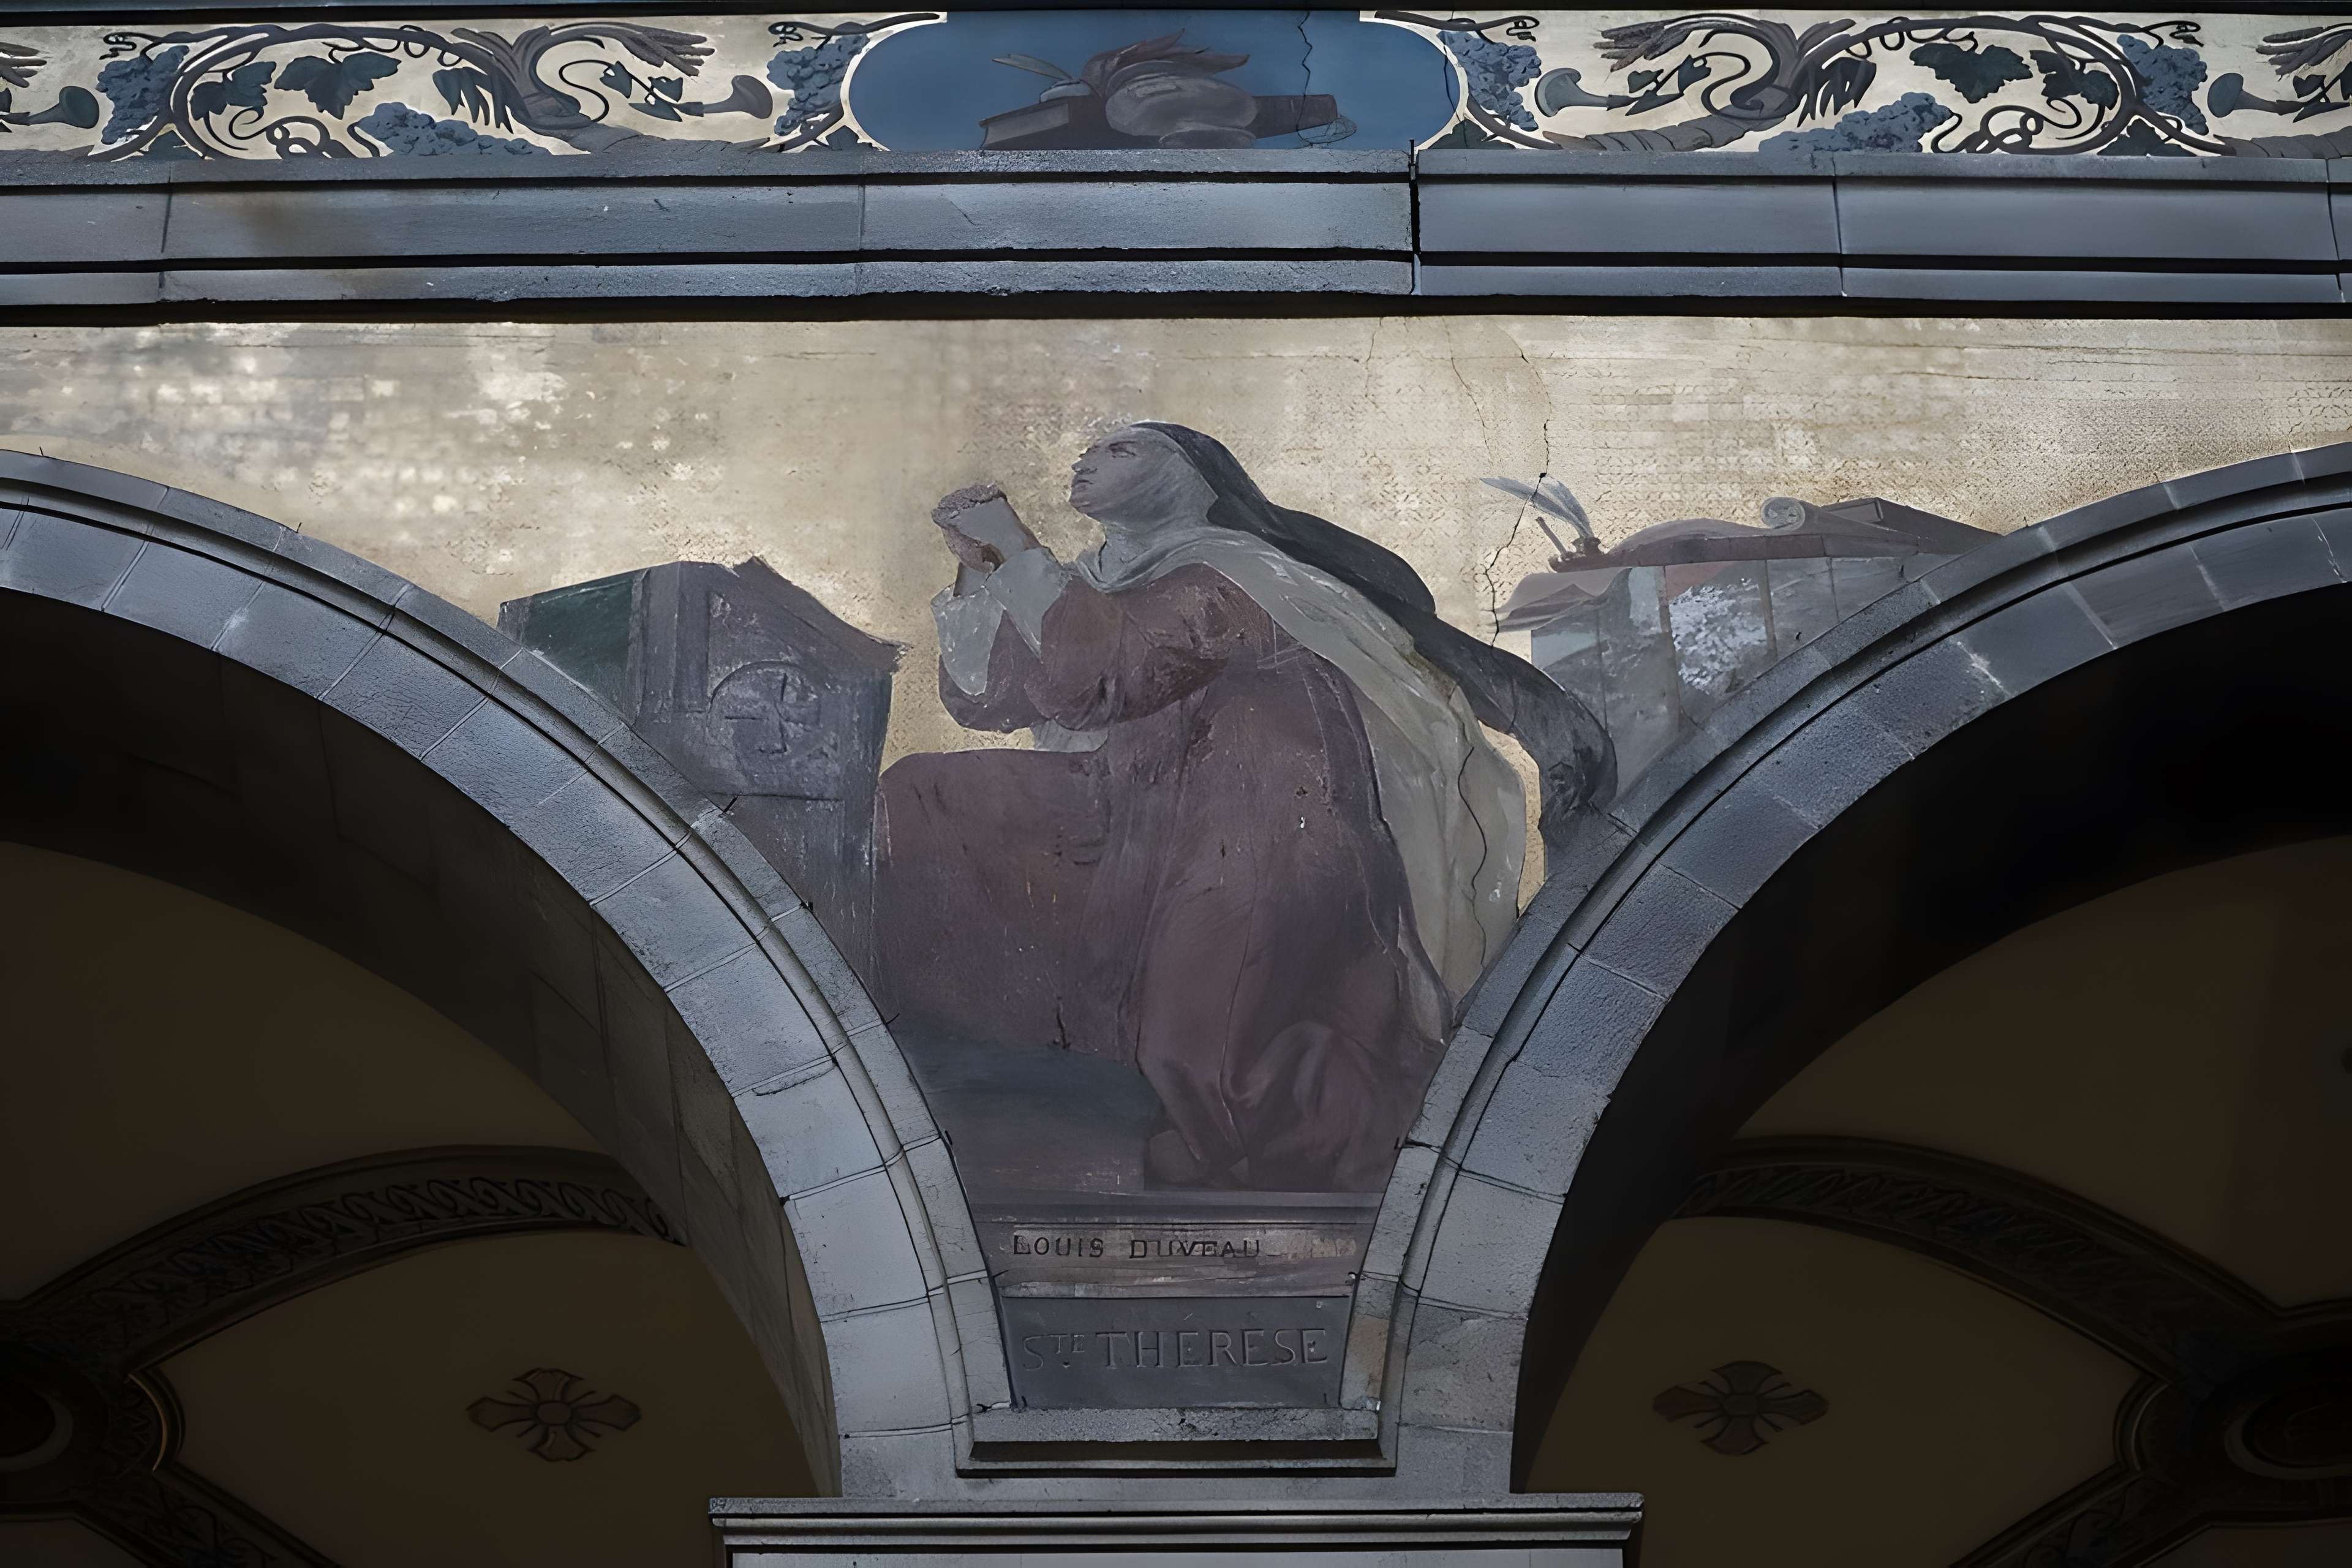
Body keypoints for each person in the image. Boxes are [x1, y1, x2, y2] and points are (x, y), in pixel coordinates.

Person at [874, 423, 1612, 1192]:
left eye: (1123, 449)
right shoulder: (1096, 584)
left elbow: (1106, 675)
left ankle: (1351, 1153)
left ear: (1193, 479)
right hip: (1137, 810)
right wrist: (984, 572)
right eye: (1088, 448)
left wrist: (1023, 551)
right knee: (922, 798)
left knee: (1204, 1045)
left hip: (1264, 822)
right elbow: (990, 698)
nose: (1087, 457)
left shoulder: (1236, 573)